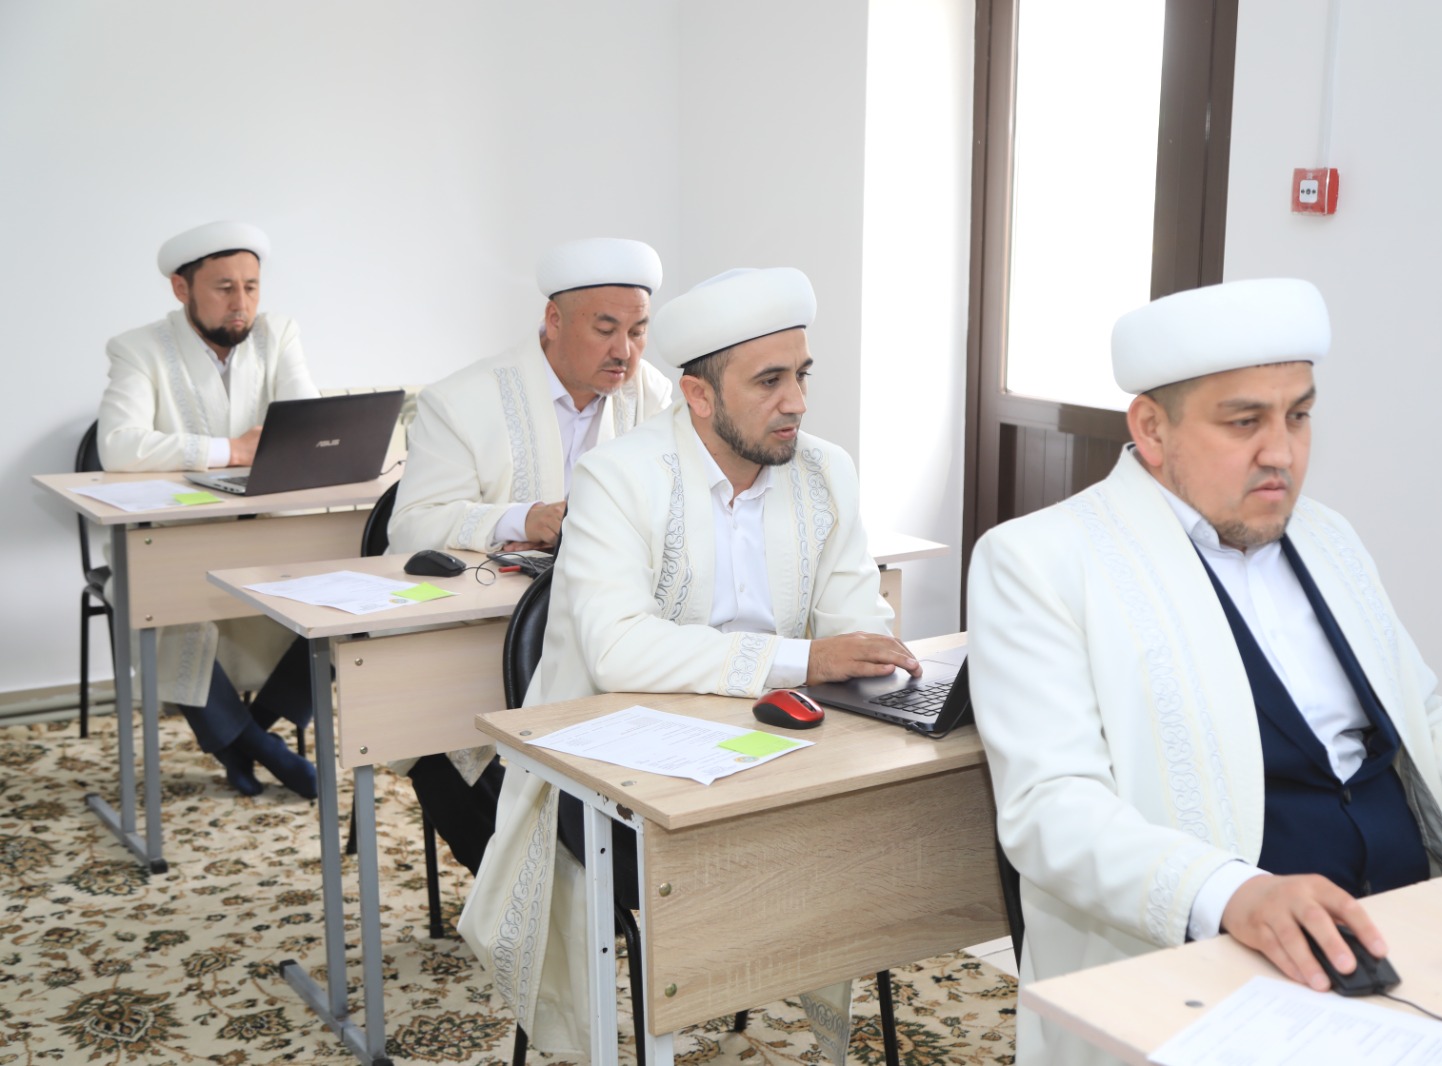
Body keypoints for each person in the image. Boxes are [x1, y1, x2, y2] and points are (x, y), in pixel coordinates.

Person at [967, 277, 1442, 1066]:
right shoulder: (1040, 561)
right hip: (1208, 973)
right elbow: (1053, 809)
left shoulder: (1329, 537)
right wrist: (1237, 893)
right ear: (1152, 428)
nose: (1282, 452)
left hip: (1407, 939)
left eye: (1298, 415)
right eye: (1245, 422)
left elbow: (1425, 729)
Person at [460, 266, 918, 1059]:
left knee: (883, 827)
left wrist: (873, 658)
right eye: (769, 381)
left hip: (779, 753)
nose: (797, 403)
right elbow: (617, 649)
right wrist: (804, 658)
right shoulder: (617, 477)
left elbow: (856, 621)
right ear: (699, 395)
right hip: (622, 777)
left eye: (802, 375)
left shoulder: (826, 471)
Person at [386, 237, 673, 874]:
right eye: (605, 329)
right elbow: (409, 529)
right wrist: (524, 518)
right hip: (477, 643)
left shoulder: (655, 397)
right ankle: (532, 901)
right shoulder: (462, 400)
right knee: (469, 781)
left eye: (638, 332)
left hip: (610, 638)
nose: (624, 352)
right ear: (553, 320)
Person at [97, 221, 318, 799]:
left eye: (251, 286)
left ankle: (244, 738)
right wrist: (230, 451)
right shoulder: (138, 348)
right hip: (172, 539)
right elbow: (117, 445)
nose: (241, 303)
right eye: (224, 288)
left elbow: (307, 424)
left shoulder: (278, 334)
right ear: (181, 288)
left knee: (346, 593)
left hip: (263, 535)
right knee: (161, 599)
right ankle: (266, 749)